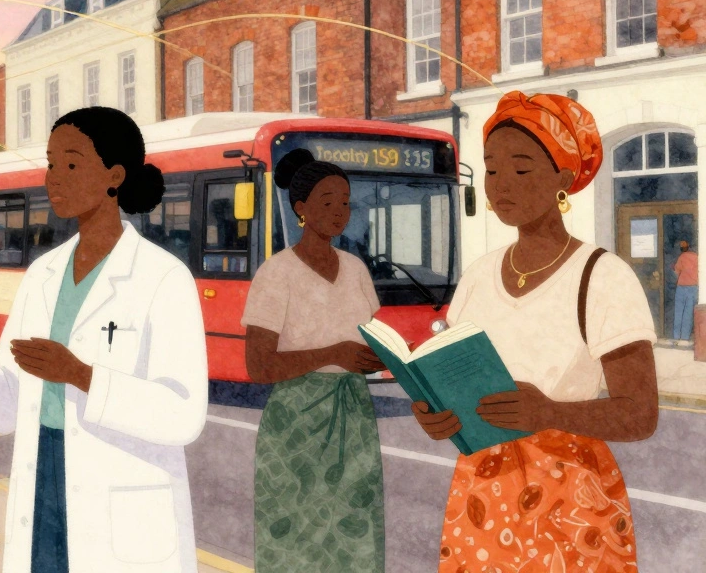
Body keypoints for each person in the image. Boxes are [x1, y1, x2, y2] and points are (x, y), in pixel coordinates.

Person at [0, 107, 208, 573]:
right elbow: (7, 408)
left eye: (71, 164)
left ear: (114, 175)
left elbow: (184, 414)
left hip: (121, 493)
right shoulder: (41, 276)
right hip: (43, 478)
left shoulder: (164, 278)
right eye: (50, 164)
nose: (54, 178)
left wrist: (81, 376)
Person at [412, 92, 657, 573]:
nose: (501, 185)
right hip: (481, 496)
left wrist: (547, 411)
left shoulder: (602, 277)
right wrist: (435, 415)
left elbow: (641, 414)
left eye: (521, 170)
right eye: (491, 169)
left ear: (563, 179)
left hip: (572, 502)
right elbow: (454, 382)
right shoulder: (479, 276)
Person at [242, 150, 387, 572]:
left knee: (354, 532)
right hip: (295, 426)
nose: (340, 212)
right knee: (297, 539)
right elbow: (259, 366)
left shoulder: (357, 269)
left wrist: (373, 357)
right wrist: (334, 355)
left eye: (345, 202)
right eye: (327, 202)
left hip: (354, 418)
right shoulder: (276, 273)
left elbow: (370, 341)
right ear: (301, 208)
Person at [672, 240, 698, 346]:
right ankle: (685, 337)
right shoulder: (697, 257)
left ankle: (676, 336)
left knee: (678, 312)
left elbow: (676, 271)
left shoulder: (681, 257)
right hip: (693, 287)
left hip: (681, 287)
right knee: (688, 313)